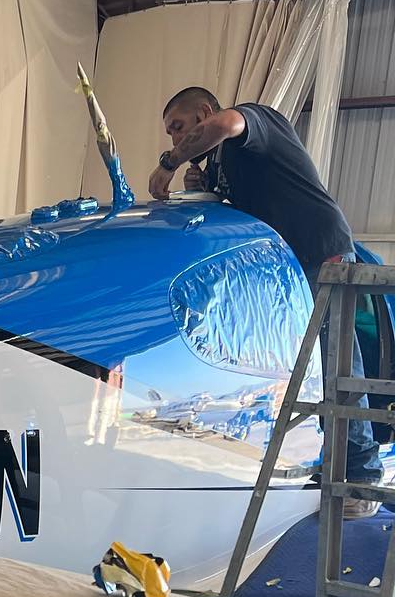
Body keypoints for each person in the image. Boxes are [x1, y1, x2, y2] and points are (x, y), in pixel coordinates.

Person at [149, 87, 382, 517]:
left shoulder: (253, 120)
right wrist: (204, 185)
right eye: (170, 137)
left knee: (338, 366)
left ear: (203, 111)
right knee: (311, 370)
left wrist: (170, 163)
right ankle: (332, 467)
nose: (175, 141)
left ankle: (362, 480)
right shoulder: (224, 162)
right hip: (290, 264)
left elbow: (225, 125)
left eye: (178, 129)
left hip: (321, 251)